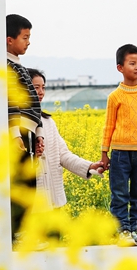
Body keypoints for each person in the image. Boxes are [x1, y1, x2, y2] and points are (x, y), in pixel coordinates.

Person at [5, 14, 46, 270]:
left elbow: (33, 103)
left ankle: (26, 235)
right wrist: (13, 133)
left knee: (30, 184)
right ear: (9, 40)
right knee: (20, 186)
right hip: (16, 132)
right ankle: (18, 236)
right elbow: (7, 102)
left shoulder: (17, 65)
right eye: (25, 37)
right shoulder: (4, 67)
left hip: (27, 132)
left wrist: (39, 133)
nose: (28, 42)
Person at [101, 44, 137, 247]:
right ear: (120, 67)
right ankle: (123, 231)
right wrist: (104, 153)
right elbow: (108, 125)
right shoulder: (115, 96)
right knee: (119, 194)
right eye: (132, 63)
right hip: (119, 153)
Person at [28, 68, 106, 208]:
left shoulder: (48, 122)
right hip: (31, 205)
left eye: (43, 88)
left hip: (54, 201)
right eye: (36, 87)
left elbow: (63, 155)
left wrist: (89, 166)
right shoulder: (16, 124)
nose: (41, 92)